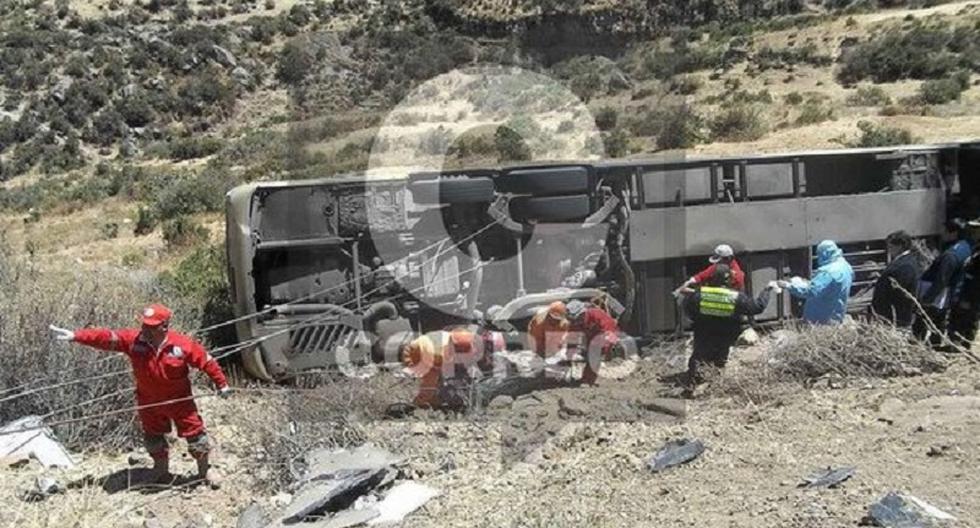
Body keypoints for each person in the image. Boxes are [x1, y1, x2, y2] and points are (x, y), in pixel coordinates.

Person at [49, 304, 230, 488]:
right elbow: (107, 337)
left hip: (179, 401)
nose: (145, 330)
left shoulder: (182, 344)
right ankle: (160, 470)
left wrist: (221, 384)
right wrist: (77, 336)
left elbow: (207, 362)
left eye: (152, 326)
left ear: (164, 326)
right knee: (153, 437)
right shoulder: (134, 341)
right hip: (148, 401)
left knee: (195, 435)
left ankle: (204, 470)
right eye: (144, 325)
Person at [682, 265, 777, 386]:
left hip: (703, 333)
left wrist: (697, 321)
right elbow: (757, 307)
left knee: (698, 357)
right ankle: (714, 385)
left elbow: (687, 308)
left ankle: (692, 383)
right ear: (727, 280)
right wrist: (767, 290)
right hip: (725, 335)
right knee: (719, 361)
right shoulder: (735, 297)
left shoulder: (699, 294)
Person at [914, 218, 973, 347]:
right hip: (948, 293)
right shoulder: (966, 247)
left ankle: (923, 348)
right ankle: (934, 346)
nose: (942, 234)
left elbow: (941, 279)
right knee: (938, 323)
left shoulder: (950, 255)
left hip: (938, 296)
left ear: (954, 233)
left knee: (924, 323)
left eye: (945, 231)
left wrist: (927, 299)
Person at [401, 328, 482, 410]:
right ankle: (416, 407)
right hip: (415, 355)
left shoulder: (456, 338)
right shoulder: (437, 353)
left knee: (441, 382)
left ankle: (434, 403)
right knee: (430, 386)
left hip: (428, 348)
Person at [784, 240, 854, 325]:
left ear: (824, 254)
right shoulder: (845, 266)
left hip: (820, 320)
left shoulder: (827, 272)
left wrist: (789, 285)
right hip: (836, 316)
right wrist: (810, 282)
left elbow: (811, 291)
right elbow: (829, 287)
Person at [869, 231, 923, 329]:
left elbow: (899, 291)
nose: (889, 249)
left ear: (900, 246)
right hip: (893, 314)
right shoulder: (906, 261)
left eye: (891, 246)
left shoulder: (905, 266)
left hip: (894, 316)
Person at [566, 300, 621, 385]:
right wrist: (569, 355)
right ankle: (586, 379)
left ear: (582, 313)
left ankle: (587, 381)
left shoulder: (596, 314)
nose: (576, 322)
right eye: (572, 320)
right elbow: (572, 339)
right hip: (592, 338)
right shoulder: (575, 323)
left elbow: (610, 328)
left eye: (577, 319)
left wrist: (608, 345)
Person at [674, 244, 746, 295]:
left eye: (720, 261)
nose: (717, 264)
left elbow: (720, 295)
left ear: (729, 258)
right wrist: (689, 282)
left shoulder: (737, 277)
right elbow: (702, 275)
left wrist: (693, 292)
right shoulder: (719, 266)